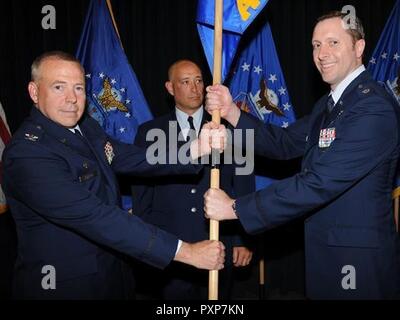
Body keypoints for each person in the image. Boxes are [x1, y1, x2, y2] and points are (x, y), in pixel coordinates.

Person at [204, 11, 400, 299]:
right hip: (325, 252)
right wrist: (232, 112)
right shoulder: (329, 104)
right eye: (316, 45)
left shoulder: (372, 108)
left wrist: (235, 208)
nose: (322, 53)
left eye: (333, 42)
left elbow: (319, 182)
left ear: (359, 48)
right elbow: (283, 142)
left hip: (356, 261)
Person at [2, 51, 227, 299]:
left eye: (79, 88)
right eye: (58, 87)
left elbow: (130, 156)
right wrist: (186, 252)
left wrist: (196, 149)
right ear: (34, 92)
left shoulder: (86, 127)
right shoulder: (28, 153)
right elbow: (97, 216)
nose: (72, 99)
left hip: (112, 274)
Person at [131, 59, 254, 300]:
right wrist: (145, 239)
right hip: (169, 243)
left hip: (220, 239)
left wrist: (243, 239)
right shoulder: (149, 132)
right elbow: (141, 189)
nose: (195, 88)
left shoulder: (233, 129)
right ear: (170, 88)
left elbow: (244, 184)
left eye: (199, 80)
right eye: (185, 82)